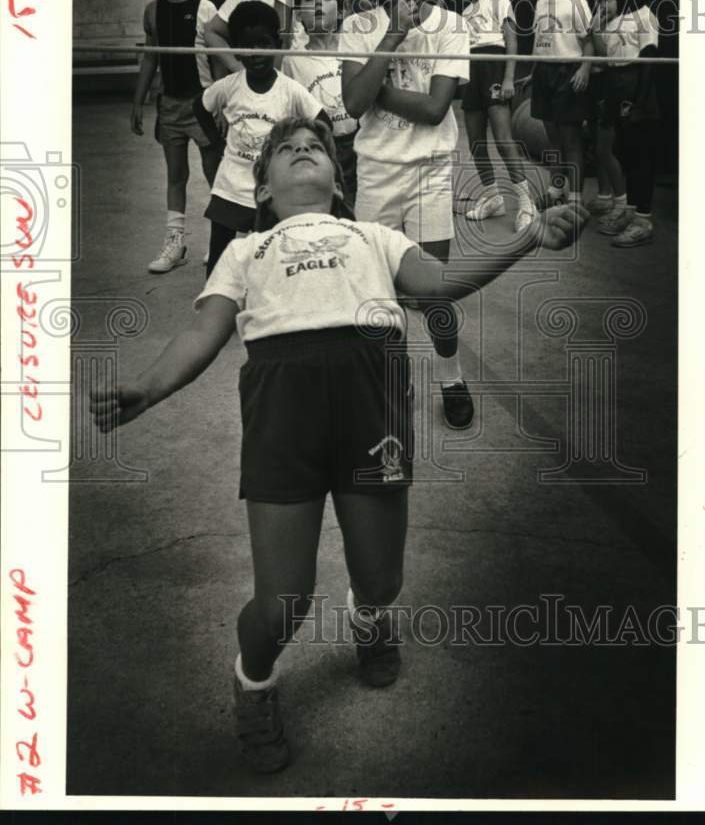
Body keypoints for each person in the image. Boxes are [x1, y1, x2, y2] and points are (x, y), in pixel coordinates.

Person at [90, 115, 588, 775]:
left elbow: (441, 285)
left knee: (380, 579)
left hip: (369, 408)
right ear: (262, 188)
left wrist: (527, 237)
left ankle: (370, 618)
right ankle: (255, 679)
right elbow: (203, 332)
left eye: (315, 148)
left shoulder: (373, 237)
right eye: (286, 150)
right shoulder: (244, 251)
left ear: (337, 176)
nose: (302, 151)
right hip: (282, 423)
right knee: (283, 600)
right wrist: (148, 388)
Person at [341, 0, 474, 430]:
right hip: (376, 172)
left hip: (430, 172)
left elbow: (435, 109)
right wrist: (391, 36)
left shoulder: (452, 26)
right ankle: (389, 380)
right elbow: (352, 105)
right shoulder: (358, 25)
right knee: (377, 293)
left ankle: (452, 375)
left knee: (430, 290)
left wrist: (374, 90)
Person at [192, 2, 329, 274]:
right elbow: (200, 106)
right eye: (247, 46)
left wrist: (296, 153)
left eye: (263, 44)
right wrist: (217, 143)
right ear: (236, 51)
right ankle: (217, 302)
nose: (255, 54)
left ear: (277, 44)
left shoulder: (290, 90)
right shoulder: (229, 87)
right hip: (230, 185)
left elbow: (322, 122)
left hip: (271, 189)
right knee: (220, 254)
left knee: (272, 255)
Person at [131, 0, 219, 274]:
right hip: (169, 106)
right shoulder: (152, 11)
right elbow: (150, 59)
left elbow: (214, 62)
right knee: (176, 174)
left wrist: (221, 104)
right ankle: (175, 241)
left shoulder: (206, 9)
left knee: (215, 173)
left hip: (202, 104)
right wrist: (138, 101)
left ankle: (219, 238)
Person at [455, 0, 538, 231]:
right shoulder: (464, 14)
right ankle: (492, 197)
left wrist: (507, 78)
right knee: (476, 141)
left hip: (494, 67)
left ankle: (527, 204)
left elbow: (512, 41)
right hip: (471, 73)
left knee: (504, 140)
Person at [594, 0, 661, 247]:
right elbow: (607, 60)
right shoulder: (616, 20)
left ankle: (643, 220)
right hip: (616, 88)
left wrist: (638, 103)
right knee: (624, 154)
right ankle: (630, 212)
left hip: (636, 91)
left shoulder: (647, 17)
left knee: (640, 159)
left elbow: (647, 62)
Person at [282, 0, 359, 205]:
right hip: (320, 148)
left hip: (359, 143)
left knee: (358, 207)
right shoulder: (291, 61)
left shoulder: (354, 50)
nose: (317, 4)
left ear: (343, 10)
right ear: (297, 16)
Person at [530, 0, 593, 207]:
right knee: (552, 138)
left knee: (571, 140)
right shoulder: (541, 4)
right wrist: (532, 72)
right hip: (544, 73)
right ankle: (556, 190)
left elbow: (588, 42)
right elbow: (541, 42)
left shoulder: (577, 3)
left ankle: (576, 199)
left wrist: (585, 69)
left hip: (568, 73)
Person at [586, 0, 628, 217]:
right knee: (596, 144)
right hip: (595, 87)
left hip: (610, 89)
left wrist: (595, 30)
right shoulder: (597, 20)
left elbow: (604, 56)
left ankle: (621, 202)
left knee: (606, 148)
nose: (603, 4)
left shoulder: (618, 25)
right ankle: (604, 195)